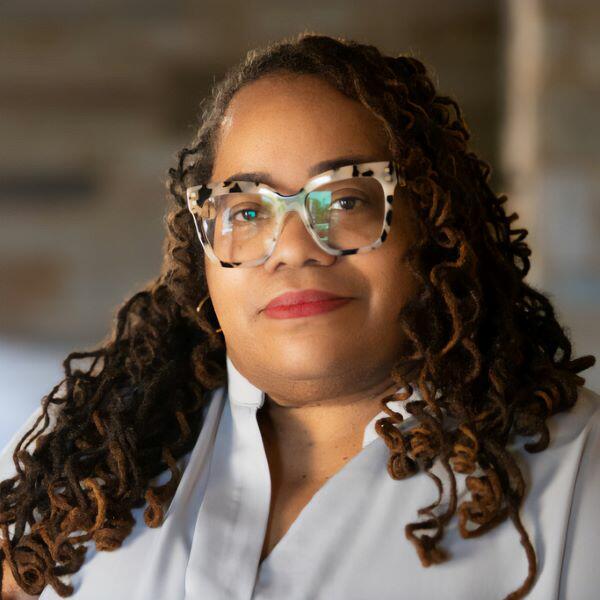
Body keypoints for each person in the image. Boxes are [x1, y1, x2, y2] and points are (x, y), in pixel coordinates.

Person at [0, 32, 597, 600]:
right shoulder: (79, 464)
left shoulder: (577, 480)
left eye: (344, 199)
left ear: (436, 228)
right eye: (247, 210)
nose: (293, 246)